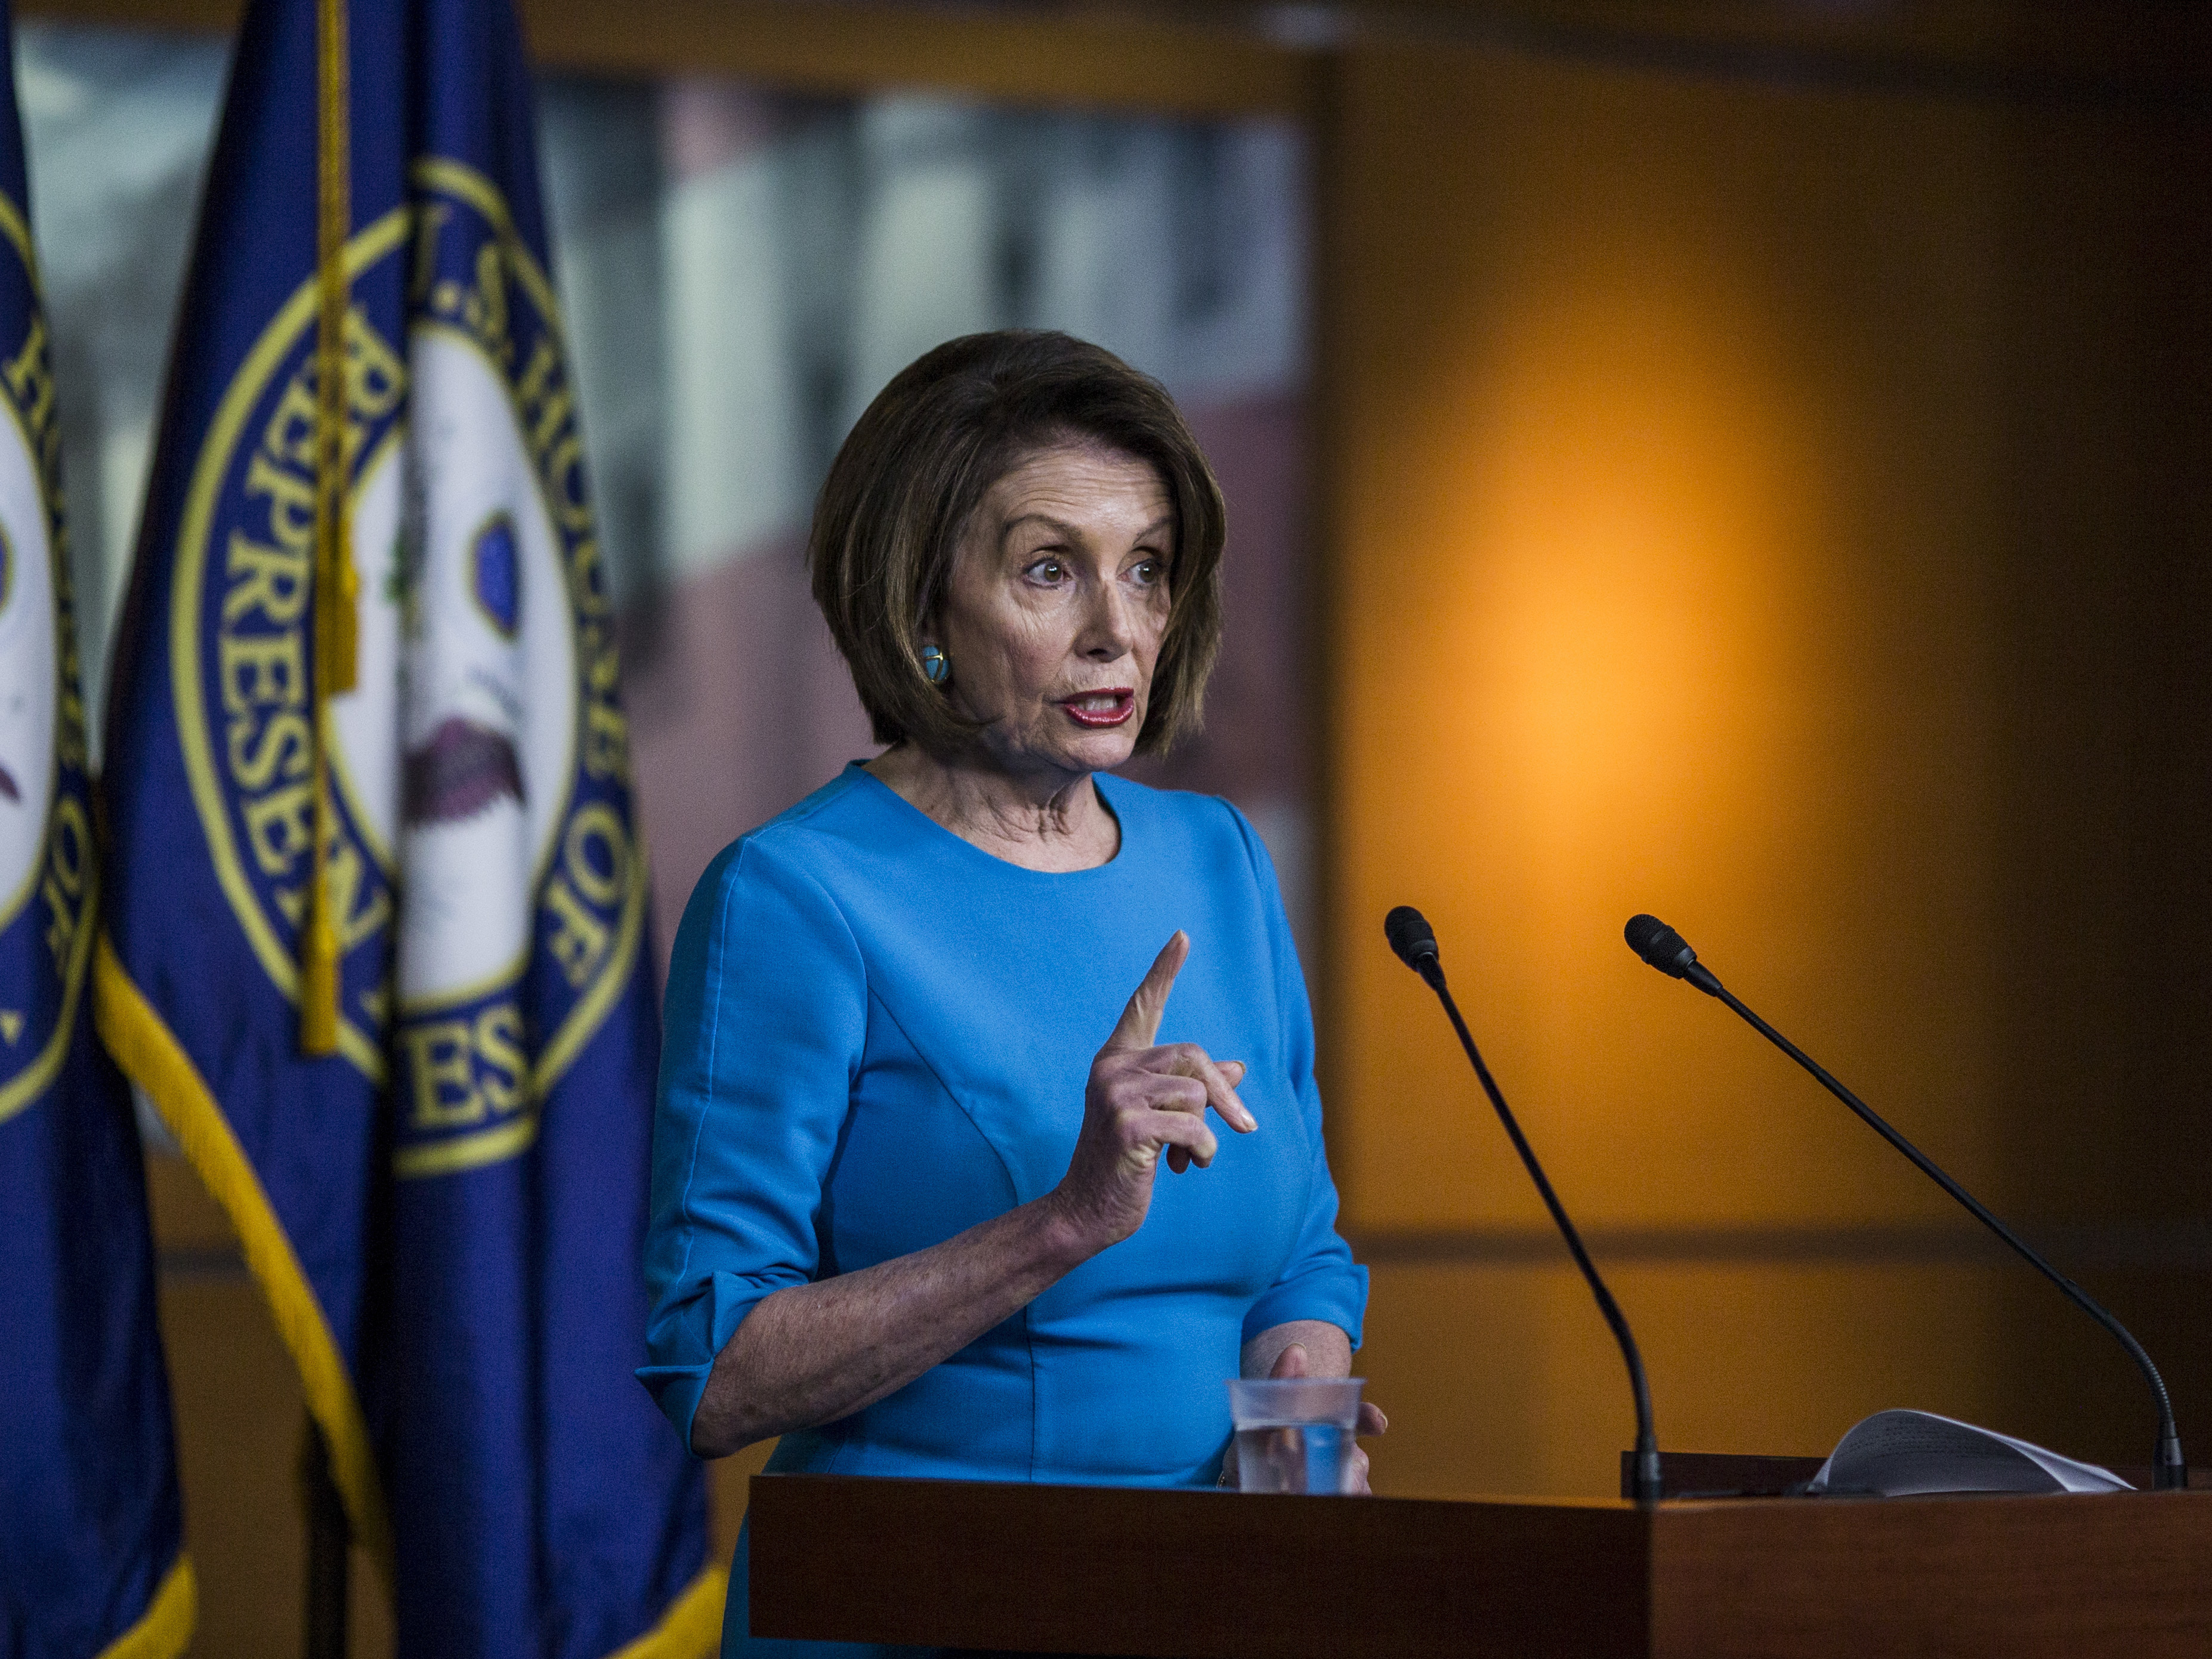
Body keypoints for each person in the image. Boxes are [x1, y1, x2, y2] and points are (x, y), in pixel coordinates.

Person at [639, 330, 1380, 1657]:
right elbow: (715, 1370)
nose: (1118, 628)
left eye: (1146, 569)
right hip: (926, 1601)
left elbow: (1303, 1245)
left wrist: (1301, 1386)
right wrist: (1066, 1220)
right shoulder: (798, 897)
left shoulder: (1217, 859)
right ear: (921, 608)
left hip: (1209, 1603)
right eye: (1052, 569)